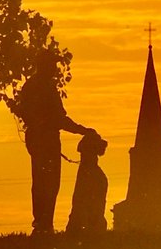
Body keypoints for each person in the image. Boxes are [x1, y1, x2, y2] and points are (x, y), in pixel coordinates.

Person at [15, 50, 90, 234]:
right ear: (44, 65)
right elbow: (59, 119)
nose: (55, 68)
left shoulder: (33, 86)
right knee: (48, 183)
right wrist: (81, 130)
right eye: (52, 64)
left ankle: (43, 223)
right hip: (46, 141)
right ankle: (44, 224)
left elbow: (25, 112)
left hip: (39, 140)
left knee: (42, 182)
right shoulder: (43, 87)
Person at [67, 130, 109, 234]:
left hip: (87, 170)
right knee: (86, 202)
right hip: (89, 171)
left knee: (81, 201)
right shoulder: (98, 175)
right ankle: (92, 226)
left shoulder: (91, 173)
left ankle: (85, 226)